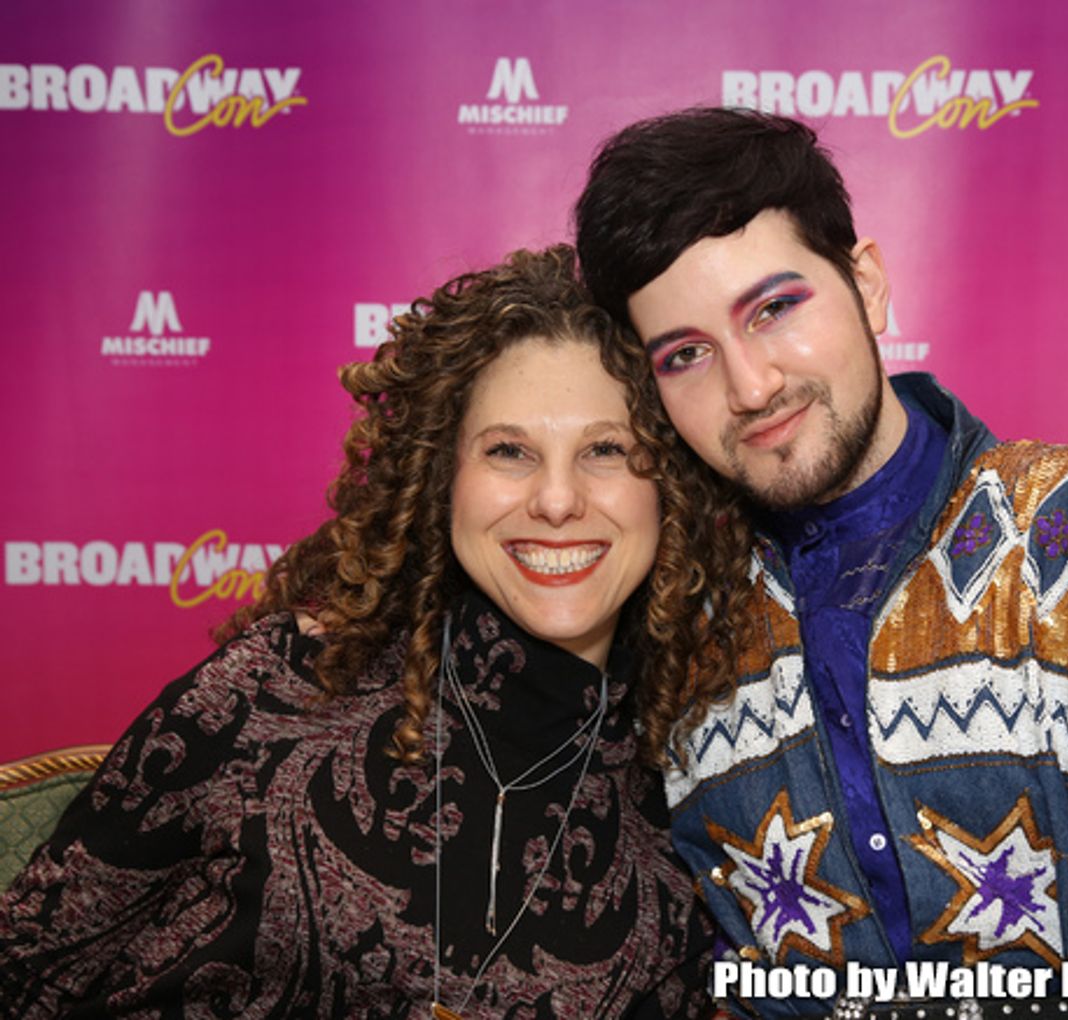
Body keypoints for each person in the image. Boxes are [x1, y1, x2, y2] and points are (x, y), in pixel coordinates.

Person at [573, 109, 1068, 1018]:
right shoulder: (673, 630)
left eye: (775, 308)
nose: (750, 387)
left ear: (865, 285)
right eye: (686, 355)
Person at [0, 247, 715, 1019]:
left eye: (606, 450)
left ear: (670, 484)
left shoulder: (690, 799)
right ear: (443, 481)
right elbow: (25, 977)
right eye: (508, 451)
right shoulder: (277, 690)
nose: (555, 498)